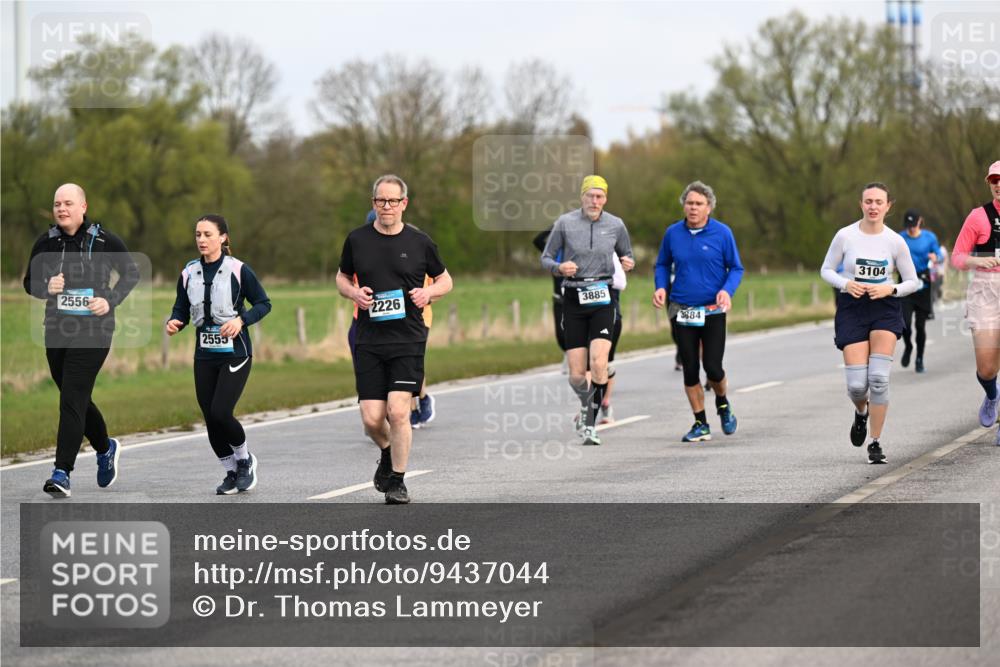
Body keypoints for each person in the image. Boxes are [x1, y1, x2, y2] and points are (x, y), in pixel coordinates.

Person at [337, 174, 452, 504]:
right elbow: (342, 277)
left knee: (399, 413)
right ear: (373, 203)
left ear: (404, 204)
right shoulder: (357, 240)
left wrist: (428, 292)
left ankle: (398, 481)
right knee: (372, 419)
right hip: (369, 339)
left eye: (392, 201)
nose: (386, 207)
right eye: (380, 201)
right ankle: (387, 452)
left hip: (408, 339)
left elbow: (446, 281)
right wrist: (354, 293)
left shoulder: (420, 242)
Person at [24, 183, 140, 498]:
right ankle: (105, 447)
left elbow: (131, 273)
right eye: (57, 204)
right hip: (57, 330)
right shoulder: (46, 243)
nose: (61, 209)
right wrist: (47, 287)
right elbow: (29, 283)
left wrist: (110, 301)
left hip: (95, 330)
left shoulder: (104, 240)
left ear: (83, 207)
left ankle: (62, 472)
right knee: (75, 397)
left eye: (68, 203)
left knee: (71, 396)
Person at [166, 215, 271, 494]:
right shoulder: (189, 273)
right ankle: (230, 472)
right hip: (205, 354)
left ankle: (245, 461)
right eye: (198, 234)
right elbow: (181, 308)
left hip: (236, 353)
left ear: (223, 238)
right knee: (210, 417)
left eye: (208, 234)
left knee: (221, 411)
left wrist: (241, 321)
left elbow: (263, 303)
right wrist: (174, 321)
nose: (201, 240)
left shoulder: (238, 270)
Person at [820, 182, 921, 463]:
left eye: (879, 202)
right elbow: (826, 269)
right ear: (861, 204)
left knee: (878, 379)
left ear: (888, 206)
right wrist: (845, 283)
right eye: (868, 201)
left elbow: (913, 281)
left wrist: (892, 289)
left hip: (885, 307)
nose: (873, 206)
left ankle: (875, 442)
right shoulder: (845, 236)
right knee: (856, 386)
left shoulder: (895, 241)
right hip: (852, 306)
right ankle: (861, 413)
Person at [541, 175, 634, 447]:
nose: (595, 201)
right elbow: (545, 257)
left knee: (599, 363)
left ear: (605, 199)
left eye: (600, 196)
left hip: (604, 298)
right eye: (590, 196)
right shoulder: (565, 223)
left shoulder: (615, 225)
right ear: (582, 197)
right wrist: (559, 268)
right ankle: (586, 404)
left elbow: (627, 254)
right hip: (573, 298)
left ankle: (590, 423)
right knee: (577, 374)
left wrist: (628, 262)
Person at [653, 181, 743, 443]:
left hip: (713, 310)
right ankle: (700, 423)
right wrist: (660, 287)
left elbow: (736, 268)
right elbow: (662, 263)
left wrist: (727, 290)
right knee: (690, 369)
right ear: (684, 205)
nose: (693, 208)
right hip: (682, 309)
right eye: (689, 203)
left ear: (709, 208)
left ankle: (723, 403)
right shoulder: (673, 233)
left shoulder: (722, 233)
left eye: (698, 204)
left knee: (713, 367)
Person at [950, 160, 1000, 445]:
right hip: (985, 290)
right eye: (994, 180)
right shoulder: (978, 217)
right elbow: (957, 257)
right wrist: (978, 260)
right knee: (987, 368)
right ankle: (993, 394)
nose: (998, 184)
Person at [898, 209, 942, 373]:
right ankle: (909, 346)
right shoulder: (900, 237)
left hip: (923, 283)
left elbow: (939, 254)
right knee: (905, 324)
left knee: (920, 325)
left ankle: (919, 359)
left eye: (913, 225)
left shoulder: (929, 237)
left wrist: (935, 257)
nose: (911, 229)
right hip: (905, 282)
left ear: (920, 221)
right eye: (908, 226)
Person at [533, 226, 569, 372]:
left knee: (578, 331)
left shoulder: (578, 253)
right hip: (558, 299)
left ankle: (580, 357)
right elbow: (537, 241)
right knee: (560, 335)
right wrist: (553, 228)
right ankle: (568, 354)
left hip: (576, 298)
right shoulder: (553, 254)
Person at [600, 253, 627, 423]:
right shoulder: (575, 252)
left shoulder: (610, 253)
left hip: (611, 315)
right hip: (582, 316)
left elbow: (621, 283)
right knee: (584, 366)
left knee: (605, 362)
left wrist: (594, 280)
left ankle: (605, 403)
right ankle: (588, 405)